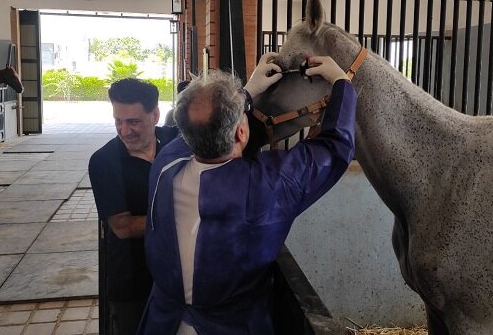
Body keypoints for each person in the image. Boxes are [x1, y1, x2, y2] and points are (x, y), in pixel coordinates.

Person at [138, 53, 357, 334]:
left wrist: (248, 92)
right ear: (242, 133)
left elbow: (193, 132)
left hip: (162, 323)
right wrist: (342, 82)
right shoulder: (268, 185)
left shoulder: (164, 165)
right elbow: (336, 147)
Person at [89, 78, 178, 335]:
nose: (124, 130)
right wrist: (187, 218)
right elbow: (123, 227)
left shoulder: (175, 142)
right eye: (119, 121)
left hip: (177, 277)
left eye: (134, 122)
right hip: (132, 283)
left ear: (155, 115)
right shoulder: (104, 162)